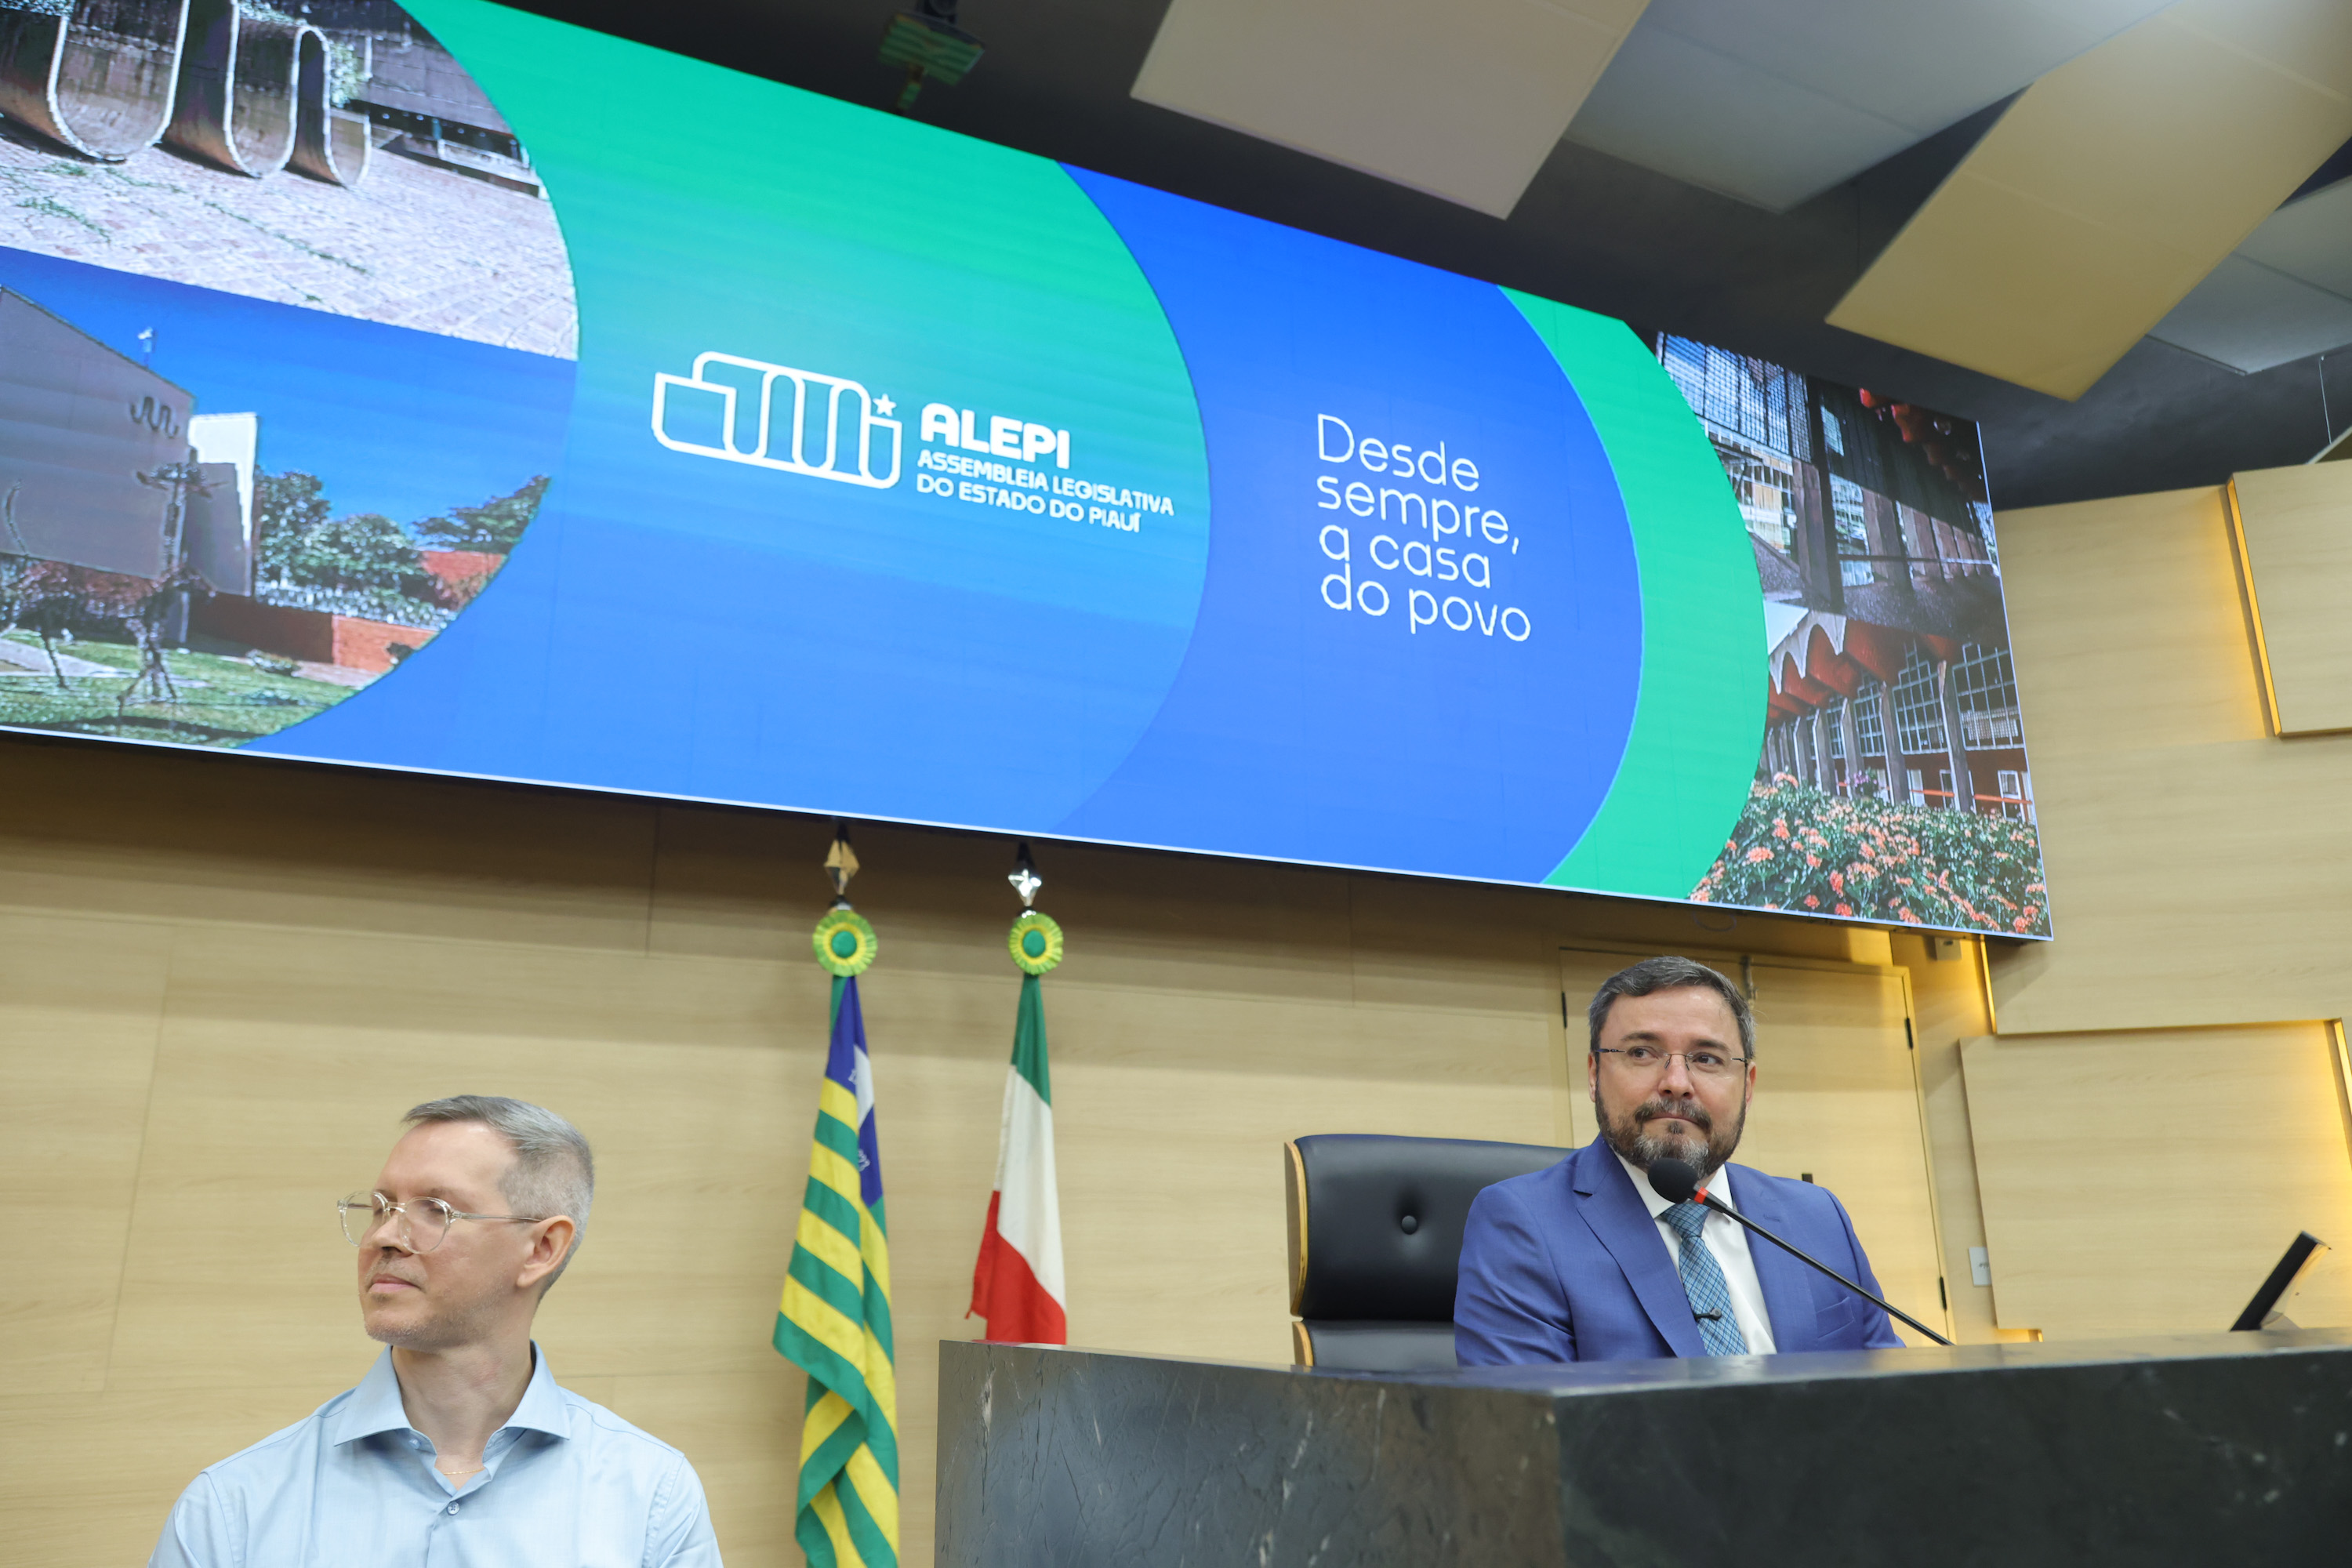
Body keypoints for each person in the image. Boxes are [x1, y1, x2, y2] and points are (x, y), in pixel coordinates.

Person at [149, 1095, 723, 1566]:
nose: (383, 1237)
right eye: (380, 1206)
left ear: (542, 1249)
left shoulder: (651, 1495)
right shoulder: (234, 1507)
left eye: (435, 1209)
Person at [1455, 956, 1906, 1364]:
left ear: (1747, 1086)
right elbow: (1534, 1440)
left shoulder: (1818, 1217)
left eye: (1706, 1058)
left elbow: (1898, 1400)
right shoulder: (1521, 1224)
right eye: (1641, 1053)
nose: (1676, 1082)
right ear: (1594, 1075)